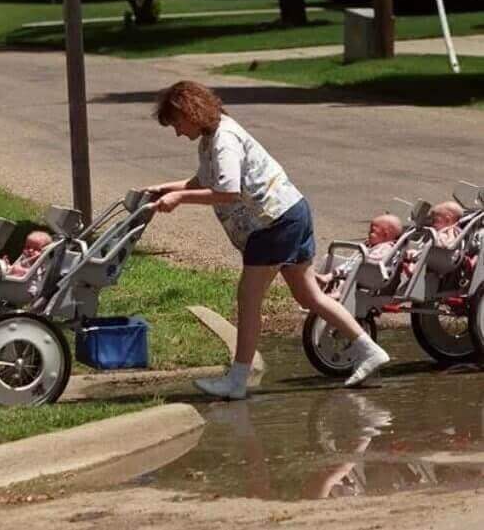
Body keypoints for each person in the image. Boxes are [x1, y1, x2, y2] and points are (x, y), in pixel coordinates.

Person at [147, 80, 389, 399]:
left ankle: (237, 380)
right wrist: (168, 188)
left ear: (190, 112)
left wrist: (180, 199)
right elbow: (204, 180)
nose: (177, 131)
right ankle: (369, 349)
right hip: (291, 212)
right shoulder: (211, 137)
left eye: (177, 123)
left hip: (273, 223)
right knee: (309, 296)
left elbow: (228, 191)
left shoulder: (224, 140)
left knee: (248, 300)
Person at [316, 214, 403, 298]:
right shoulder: (379, 245)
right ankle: (331, 283)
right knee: (349, 271)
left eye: (372, 231)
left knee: (353, 269)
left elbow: (376, 259)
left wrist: (366, 254)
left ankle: (336, 288)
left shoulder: (386, 248)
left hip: (372, 274)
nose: (368, 233)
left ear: (385, 235)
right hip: (364, 272)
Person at [400, 200, 464, 279]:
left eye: (435, 221)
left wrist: (437, 237)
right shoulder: (459, 232)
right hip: (444, 260)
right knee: (415, 251)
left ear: (448, 220)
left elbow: (447, 244)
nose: (433, 224)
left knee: (412, 254)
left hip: (440, 259)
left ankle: (412, 269)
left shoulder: (449, 232)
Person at [8, 231, 53, 297]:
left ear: (45, 252)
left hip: (28, 290)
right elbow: (18, 266)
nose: (30, 250)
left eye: (36, 249)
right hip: (16, 284)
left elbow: (37, 277)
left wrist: (21, 270)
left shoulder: (41, 265)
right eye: (28, 247)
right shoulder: (25, 258)